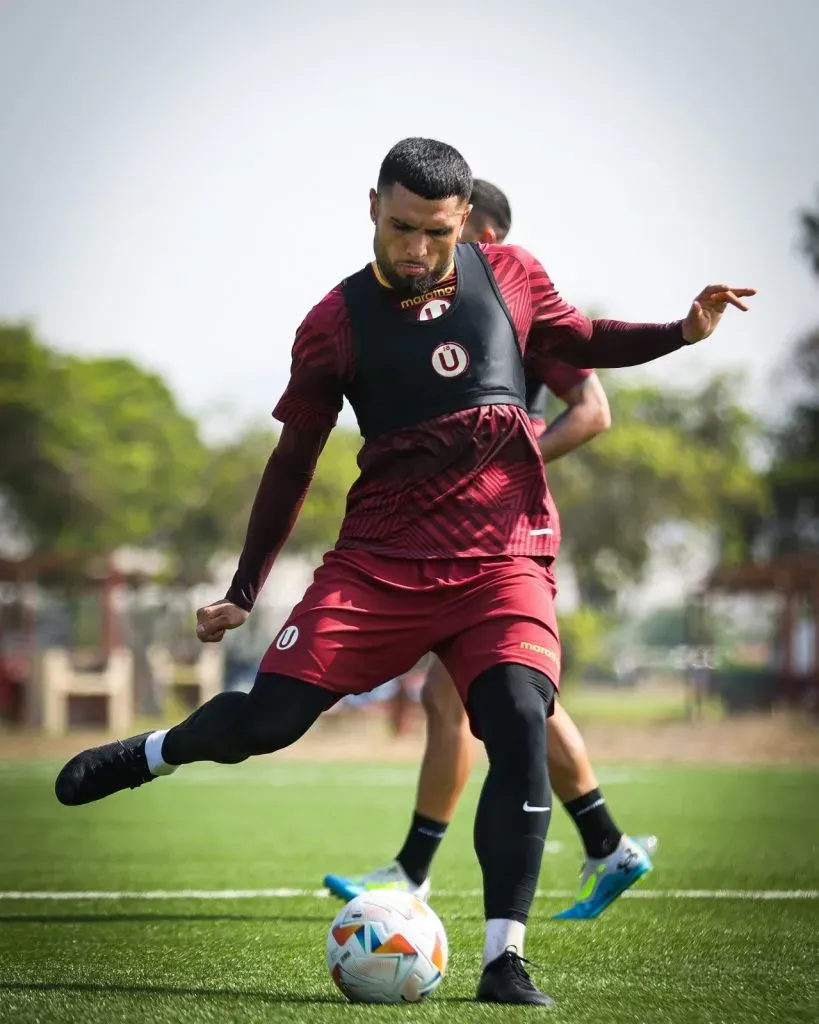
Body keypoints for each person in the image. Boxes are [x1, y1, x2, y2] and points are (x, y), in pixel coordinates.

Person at [54, 138, 754, 1007]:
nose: (416, 248)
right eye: (399, 227)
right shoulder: (333, 323)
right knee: (267, 722)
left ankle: (504, 959)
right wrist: (242, 589)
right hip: (380, 564)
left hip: (502, 561)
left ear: (465, 223)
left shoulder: (512, 275)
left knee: (517, 717)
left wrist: (680, 332)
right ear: (371, 208)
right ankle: (153, 753)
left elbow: (582, 340)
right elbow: (293, 461)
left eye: (435, 232)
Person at [323, 179, 658, 921]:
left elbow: (593, 409)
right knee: (496, 702)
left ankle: (418, 870)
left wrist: (511, 458)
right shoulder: (426, 312)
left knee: (479, 700)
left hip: (499, 537)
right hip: (457, 536)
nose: (427, 251)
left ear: (487, 237)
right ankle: (604, 843)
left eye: (449, 233)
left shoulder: (515, 304)